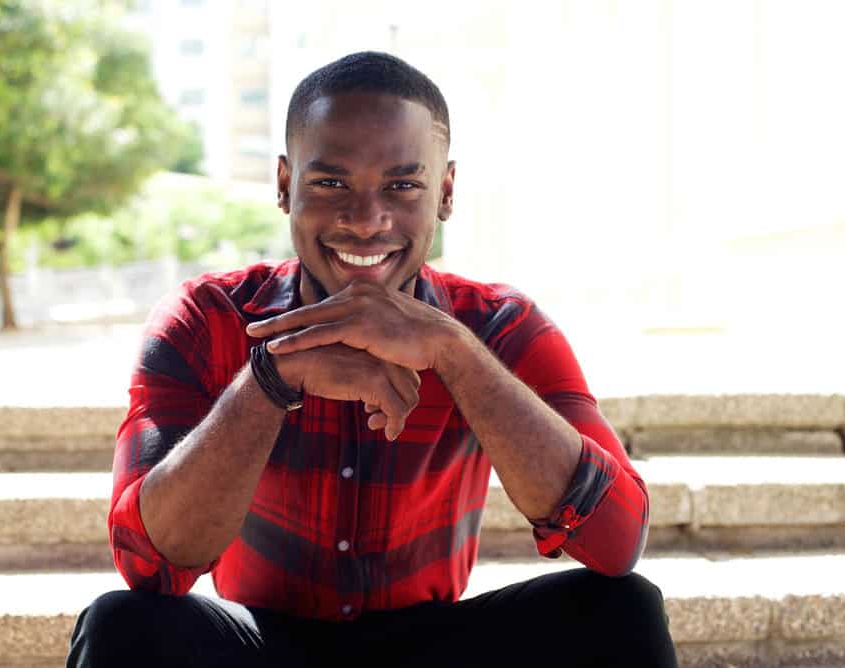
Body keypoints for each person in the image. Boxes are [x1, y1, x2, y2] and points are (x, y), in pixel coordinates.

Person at [68, 51, 677, 667]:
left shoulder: (500, 326)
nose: (365, 221)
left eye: (402, 186)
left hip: (433, 645)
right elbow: (148, 563)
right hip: (264, 647)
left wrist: (453, 352)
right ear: (285, 186)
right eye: (331, 183)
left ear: (444, 192)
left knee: (621, 611)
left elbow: (618, 540)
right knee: (122, 624)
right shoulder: (205, 318)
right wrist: (270, 379)